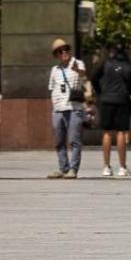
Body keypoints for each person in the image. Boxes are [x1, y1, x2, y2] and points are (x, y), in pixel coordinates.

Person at [92, 45, 131, 177]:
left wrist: (101, 92)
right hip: (122, 100)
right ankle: (122, 167)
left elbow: (94, 78)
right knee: (121, 132)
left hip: (106, 100)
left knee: (107, 132)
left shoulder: (105, 64)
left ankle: (106, 166)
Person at [44, 39, 89, 179]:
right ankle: (63, 168)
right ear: (56, 54)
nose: (64, 52)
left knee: (74, 140)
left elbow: (84, 76)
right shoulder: (55, 70)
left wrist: (77, 71)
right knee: (59, 141)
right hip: (58, 109)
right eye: (60, 51)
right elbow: (52, 88)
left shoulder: (77, 63)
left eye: (66, 49)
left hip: (74, 108)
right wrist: (54, 106)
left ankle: (73, 169)